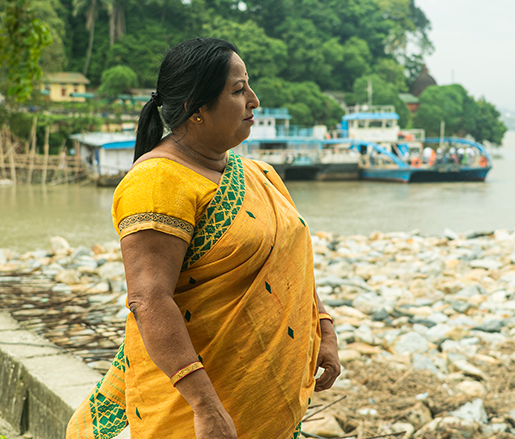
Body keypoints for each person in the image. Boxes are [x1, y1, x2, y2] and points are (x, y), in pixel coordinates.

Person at [66, 38, 341, 439]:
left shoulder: (258, 174)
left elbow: (289, 263)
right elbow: (149, 299)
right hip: (191, 409)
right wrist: (205, 406)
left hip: (261, 402)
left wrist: (324, 329)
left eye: (248, 86)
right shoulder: (157, 182)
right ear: (197, 110)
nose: (254, 100)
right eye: (238, 90)